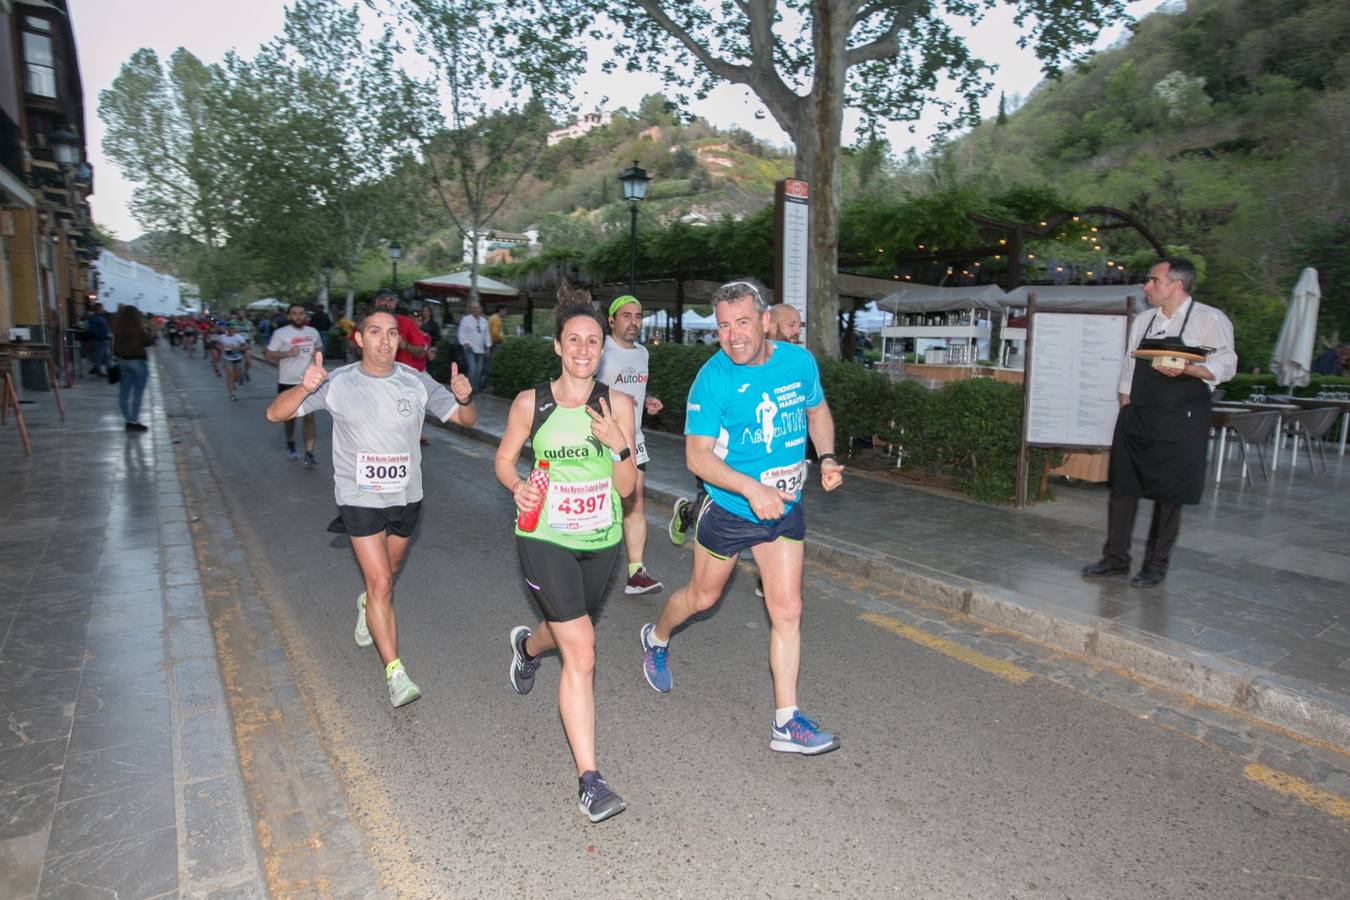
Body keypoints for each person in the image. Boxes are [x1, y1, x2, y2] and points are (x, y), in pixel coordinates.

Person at [640, 281, 845, 756]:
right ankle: (657, 636)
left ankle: (786, 721)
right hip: (732, 509)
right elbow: (697, 457)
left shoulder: (798, 362)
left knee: (788, 609)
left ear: (766, 322)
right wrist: (752, 490)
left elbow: (818, 412)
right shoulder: (714, 378)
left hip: (786, 509)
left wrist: (829, 456)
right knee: (702, 597)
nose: (732, 336)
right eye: (723, 326)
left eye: (743, 323)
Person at [266, 311, 476, 707]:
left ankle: (366, 604)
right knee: (381, 583)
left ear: (399, 340)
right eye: (375, 332)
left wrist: (465, 398)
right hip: (358, 499)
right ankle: (395, 672)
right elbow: (274, 414)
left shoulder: (415, 381)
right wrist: (302, 388)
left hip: (406, 498)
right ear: (359, 339)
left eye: (392, 333)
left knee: (387, 577)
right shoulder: (337, 382)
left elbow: (465, 419)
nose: (385, 340)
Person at [497, 282, 638, 822]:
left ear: (603, 348)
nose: (583, 349)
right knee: (582, 649)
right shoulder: (532, 404)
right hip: (545, 538)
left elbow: (627, 490)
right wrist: (517, 485)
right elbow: (506, 460)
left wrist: (616, 442)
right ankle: (591, 781)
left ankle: (528, 650)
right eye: (574, 340)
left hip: (601, 542)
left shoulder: (617, 404)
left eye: (593, 341)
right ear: (558, 346)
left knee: (564, 629)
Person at [1082, 258, 1237, 588]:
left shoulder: (1210, 319)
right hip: (1137, 417)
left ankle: (1155, 566)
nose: (1146, 287)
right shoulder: (1143, 321)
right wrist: (1125, 407)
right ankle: (1115, 558)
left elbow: (1227, 363)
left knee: (1170, 496)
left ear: (1175, 285)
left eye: (1153, 281)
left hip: (1181, 421)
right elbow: (1128, 368)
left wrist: (1191, 369)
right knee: (1123, 489)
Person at [595, 294, 665, 594]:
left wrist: (646, 402)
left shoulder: (642, 354)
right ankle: (586, 566)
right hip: (601, 439)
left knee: (635, 503)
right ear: (612, 320)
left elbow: (632, 390)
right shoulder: (600, 351)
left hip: (634, 440)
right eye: (626, 315)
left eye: (638, 316)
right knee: (602, 505)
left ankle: (636, 573)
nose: (634, 322)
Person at [265, 303, 324, 465]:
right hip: (287, 381)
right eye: (295, 313)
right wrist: (287, 353)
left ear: (305, 315)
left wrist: (316, 354)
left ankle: (309, 452)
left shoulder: (312, 332)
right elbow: (268, 354)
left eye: (301, 313)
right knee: (289, 417)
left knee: (309, 416)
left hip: (308, 381)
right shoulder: (280, 333)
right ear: (289, 316)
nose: (299, 316)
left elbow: (319, 348)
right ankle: (290, 441)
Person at [374, 291, 432, 445]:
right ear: (376, 303)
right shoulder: (365, 323)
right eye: (382, 300)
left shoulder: (406, 323)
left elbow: (420, 351)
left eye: (390, 300)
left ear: (395, 304)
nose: (386, 303)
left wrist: (404, 345)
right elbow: (355, 347)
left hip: (401, 378)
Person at [111, 305, 155, 432]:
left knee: (124, 393)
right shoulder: (137, 328)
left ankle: (128, 419)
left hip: (123, 361)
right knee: (138, 392)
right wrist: (150, 333)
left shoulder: (117, 328)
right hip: (138, 360)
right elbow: (148, 341)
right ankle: (134, 420)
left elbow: (113, 346)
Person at [457, 300, 489, 390]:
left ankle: (476, 389)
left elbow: (487, 335)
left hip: (481, 349)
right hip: (469, 348)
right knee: (472, 369)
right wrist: (464, 342)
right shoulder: (465, 319)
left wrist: (488, 347)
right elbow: (461, 332)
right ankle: (469, 389)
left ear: (481, 309)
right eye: (473, 308)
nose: (475, 310)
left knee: (478, 371)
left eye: (477, 308)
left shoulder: (484, 321)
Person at [218, 323, 249, 401]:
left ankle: (237, 380)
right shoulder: (222, 337)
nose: (231, 330)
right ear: (226, 329)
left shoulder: (238, 337)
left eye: (232, 328)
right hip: (227, 359)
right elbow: (219, 346)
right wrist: (223, 348)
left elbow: (246, 346)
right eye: (229, 328)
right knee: (230, 376)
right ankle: (232, 394)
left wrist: (238, 347)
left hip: (238, 358)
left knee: (237, 376)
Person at [86, 303, 111, 376]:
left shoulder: (101, 318)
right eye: (101, 308)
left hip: (104, 340)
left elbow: (104, 328)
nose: (102, 309)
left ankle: (106, 370)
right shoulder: (94, 318)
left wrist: (107, 335)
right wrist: (101, 337)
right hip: (100, 340)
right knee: (100, 356)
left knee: (107, 356)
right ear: (97, 309)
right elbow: (94, 330)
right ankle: (98, 369)